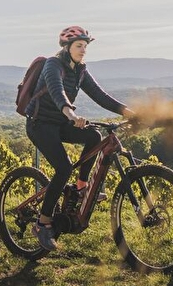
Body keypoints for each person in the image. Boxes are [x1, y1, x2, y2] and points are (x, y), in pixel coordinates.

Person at [25, 25, 132, 251]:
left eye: (85, 46)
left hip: (61, 123)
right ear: (67, 46)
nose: (83, 50)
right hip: (40, 124)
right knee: (63, 168)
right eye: (78, 46)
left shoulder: (80, 70)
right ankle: (43, 223)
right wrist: (71, 113)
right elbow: (57, 91)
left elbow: (100, 96)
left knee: (94, 136)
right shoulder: (52, 64)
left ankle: (81, 187)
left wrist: (127, 111)